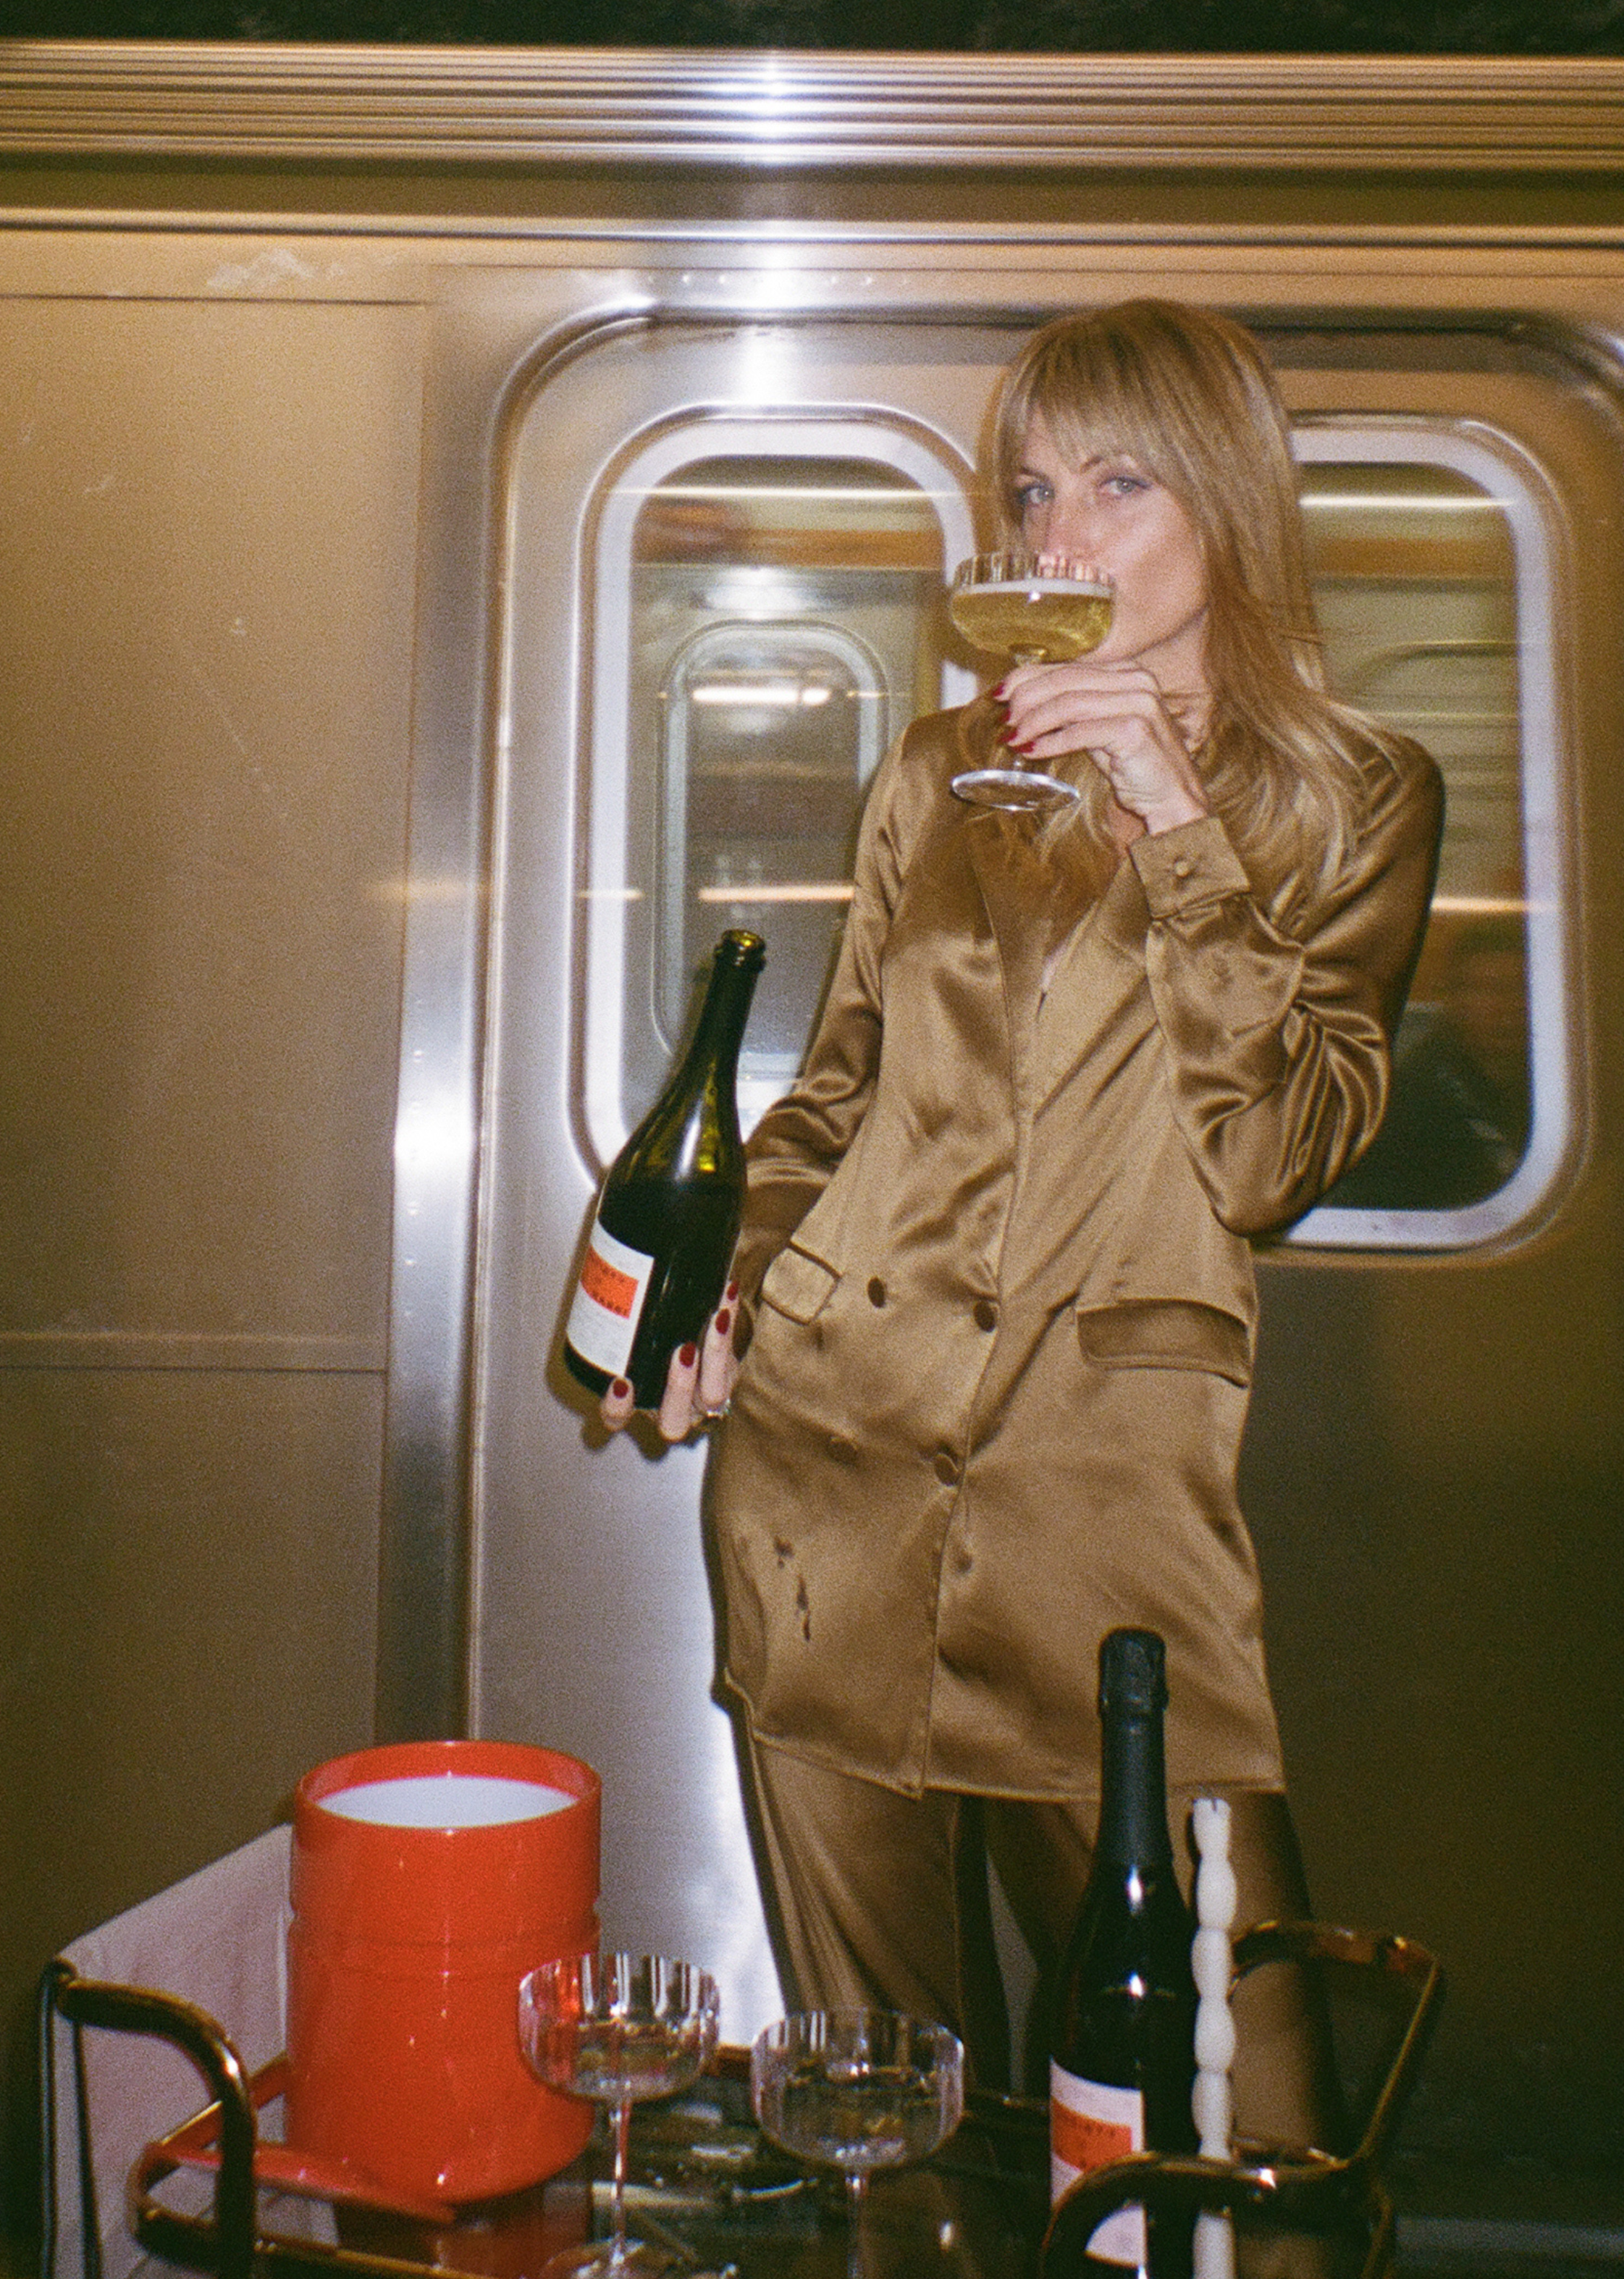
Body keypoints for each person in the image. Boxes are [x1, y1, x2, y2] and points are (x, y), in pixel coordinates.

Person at [602, 300, 1442, 2153]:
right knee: (887, 2132)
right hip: (826, 1500)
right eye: (1030, 488)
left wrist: (1167, 812)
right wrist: (722, 1292)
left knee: (1237, 2129)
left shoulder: (1352, 799)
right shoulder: (933, 778)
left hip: (1113, 1540)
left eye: (1116, 483)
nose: (1053, 541)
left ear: (1226, 500)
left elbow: (1279, 1155)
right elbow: (830, 1106)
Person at [1340, 916, 1531, 1209]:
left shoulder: (1563, 1090)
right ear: (1452, 1000)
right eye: (1484, 990)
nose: (1504, 1007)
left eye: (1518, 989)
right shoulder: (1404, 1106)